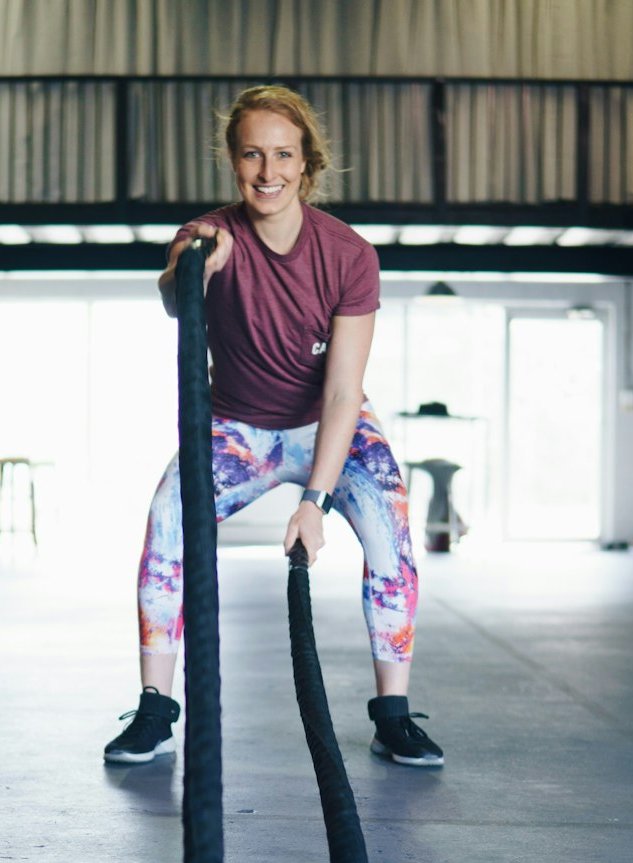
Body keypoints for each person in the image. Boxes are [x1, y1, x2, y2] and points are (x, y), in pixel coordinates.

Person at [104, 84, 443, 769]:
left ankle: (393, 716)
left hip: (328, 425)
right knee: (166, 521)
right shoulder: (206, 235)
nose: (268, 172)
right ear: (233, 160)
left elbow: (345, 389)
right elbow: (173, 303)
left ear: (307, 163)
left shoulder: (348, 255)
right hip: (238, 430)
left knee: (392, 539)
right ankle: (154, 709)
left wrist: (313, 502)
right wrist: (193, 265)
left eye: (283, 155)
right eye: (253, 155)